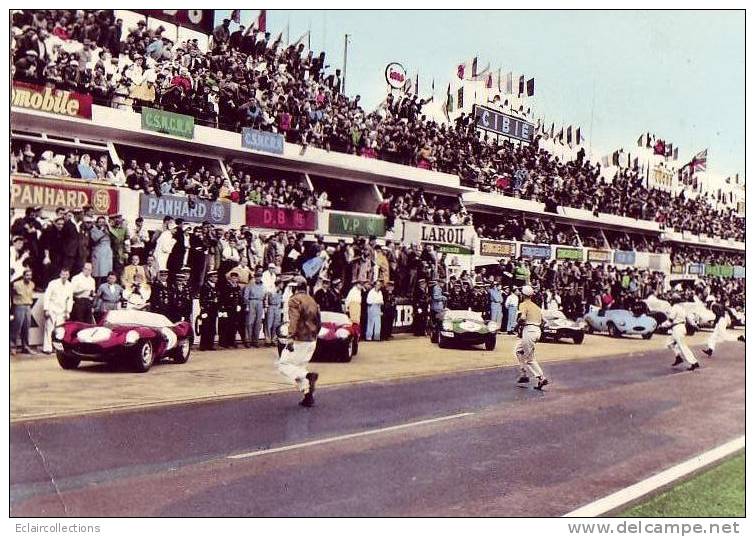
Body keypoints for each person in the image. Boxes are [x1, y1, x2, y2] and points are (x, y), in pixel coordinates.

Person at [277, 276, 321, 407]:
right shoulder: (312, 300)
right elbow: (319, 321)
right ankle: (308, 396)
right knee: (298, 367)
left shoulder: (295, 300)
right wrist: (314, 334)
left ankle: (308, 376)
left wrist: (290, 337)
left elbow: (294, 319)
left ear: (294, 287)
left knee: (284, 365)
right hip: (312, 339)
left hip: (299, 339)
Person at [514, 285, 549, 390]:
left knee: (529, 358)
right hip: (537, 330)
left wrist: (517, 324)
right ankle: (524, 374)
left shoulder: (523, 304)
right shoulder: (537, 307)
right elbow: (544, 322)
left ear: (523, 295)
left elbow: (523, 318)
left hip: (529, 330)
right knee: (518, 351)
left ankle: (541, 377)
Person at [662, 294, 700, 371]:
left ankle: (693, 362)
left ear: (673, 301)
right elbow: (688, 318)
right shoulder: (682, 308)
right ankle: (678, 357)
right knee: (669, 343)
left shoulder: (674, 308)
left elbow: (670, 320)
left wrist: (662, 325)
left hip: (677, 328)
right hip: (681, 328)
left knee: (683, 346)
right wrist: (694, 325)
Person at [42, 268, 73, 354]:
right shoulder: (53, 283)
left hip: (62, 311)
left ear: (69, 275)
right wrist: (46, 309)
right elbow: (47, 296)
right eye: (63, 274)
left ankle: (58, 348)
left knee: (60, 331)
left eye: (66, 275)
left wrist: (68, 311)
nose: (64, 276)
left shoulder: (70, 285)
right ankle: (47, 348)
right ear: (60, 274)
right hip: (52, 309)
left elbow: (69, 299)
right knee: (49, 329)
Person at [11, 269, 35, 354]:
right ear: (23, 276)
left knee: (26, 327)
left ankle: (25, 346)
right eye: (27, 275)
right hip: (19, 306)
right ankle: (12, 347)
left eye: (30, 275)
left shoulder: (32, 284)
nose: (29, 277)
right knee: (16, 327)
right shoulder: (16, 284)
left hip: (28, 307)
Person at [219, 271, 244, 348]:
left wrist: (239, 304)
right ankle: (224, 342)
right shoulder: (227, 286)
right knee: (226, 325)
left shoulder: (237, 286)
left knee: (234, 325)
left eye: (236, 278)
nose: (234, 279)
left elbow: (239, 297)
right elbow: (224, 297)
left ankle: (232, 341)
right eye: (233, 278)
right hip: (228, 308)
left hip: (235, 308)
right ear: (230, 278)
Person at [244, 269, 266, 347]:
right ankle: (248, 340)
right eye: (257, 276)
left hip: (260, 302)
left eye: (260, 276)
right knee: (250, 322)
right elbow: (246, 295)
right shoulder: (250, 284)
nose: (258, 278)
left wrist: (264, 305)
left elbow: (264, 295)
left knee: (258, 322)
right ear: (254, 277)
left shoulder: (263, 285)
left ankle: (255, 341)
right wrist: (247, 305)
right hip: (251, 302)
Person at [198, 270, 220, 351]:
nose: (215, 278)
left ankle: (210, 344)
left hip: (213, 309)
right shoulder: (205, 286)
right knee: (205, 327)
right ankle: (203, 345)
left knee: (212, 327)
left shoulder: (216, 286)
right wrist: (203, 310)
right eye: (214, 277)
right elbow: (202, 299)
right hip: (207, 309)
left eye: (216, 277)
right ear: (210, 277)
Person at [265, 279, 285, 346]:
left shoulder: (281, 291)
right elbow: (267, 298)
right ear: (278, 284)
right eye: (282, 284)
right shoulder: (271, 290)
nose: (283, 285)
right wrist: (266, 307)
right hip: (271, 306)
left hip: (277, 308)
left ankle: (274, 339)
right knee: (269, 324)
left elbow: (281, 300)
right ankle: (268, 340)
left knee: (276, 324)